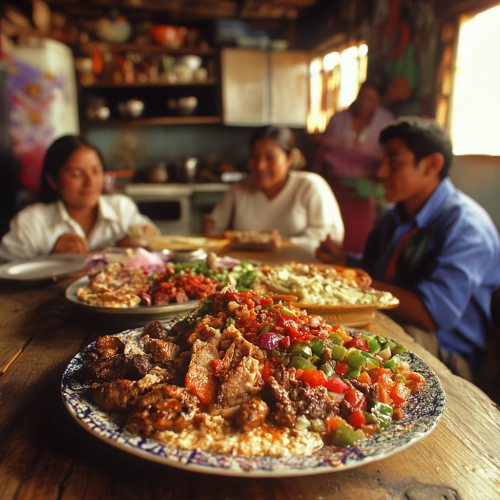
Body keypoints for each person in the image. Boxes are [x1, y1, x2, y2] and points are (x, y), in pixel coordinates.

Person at [316, 116, 500, 380]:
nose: (381, 173)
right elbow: (377, 273)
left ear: (431, 165)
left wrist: (351, 284)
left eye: (394, 162)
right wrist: (344, 260)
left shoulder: (466, 227)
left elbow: (431, 313)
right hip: (391, 323)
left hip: (443, 352)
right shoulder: (397, 215)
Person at [0, 135, 158, 261]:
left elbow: (157, 242)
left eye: (96, 171)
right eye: (76, 174)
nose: (90, 182)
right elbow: (5, 269)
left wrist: (145, 239)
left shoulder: (121, 208)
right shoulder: (32, 221)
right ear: (53, 180)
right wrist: (49, 260)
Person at [203, 126, 344, 257]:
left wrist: (272, 243)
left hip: (301, 273)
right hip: (245, 273)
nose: (260, 166)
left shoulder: (310, 186)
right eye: (254, 156)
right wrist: (209, 228)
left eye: (270, 158)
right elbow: (213, 233)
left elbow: (328, 240)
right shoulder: (239, 189)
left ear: (289, 159)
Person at [313, 79, 394, 253]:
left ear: (379, 100)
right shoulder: (338, 118)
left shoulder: (386, 120)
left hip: (366, 187)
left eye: (371, 98)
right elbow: (322, 152)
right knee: (330, 226)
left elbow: (388, 153)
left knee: (358, 234)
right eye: (362, 96)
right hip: (335, 182)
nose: (364, 102)